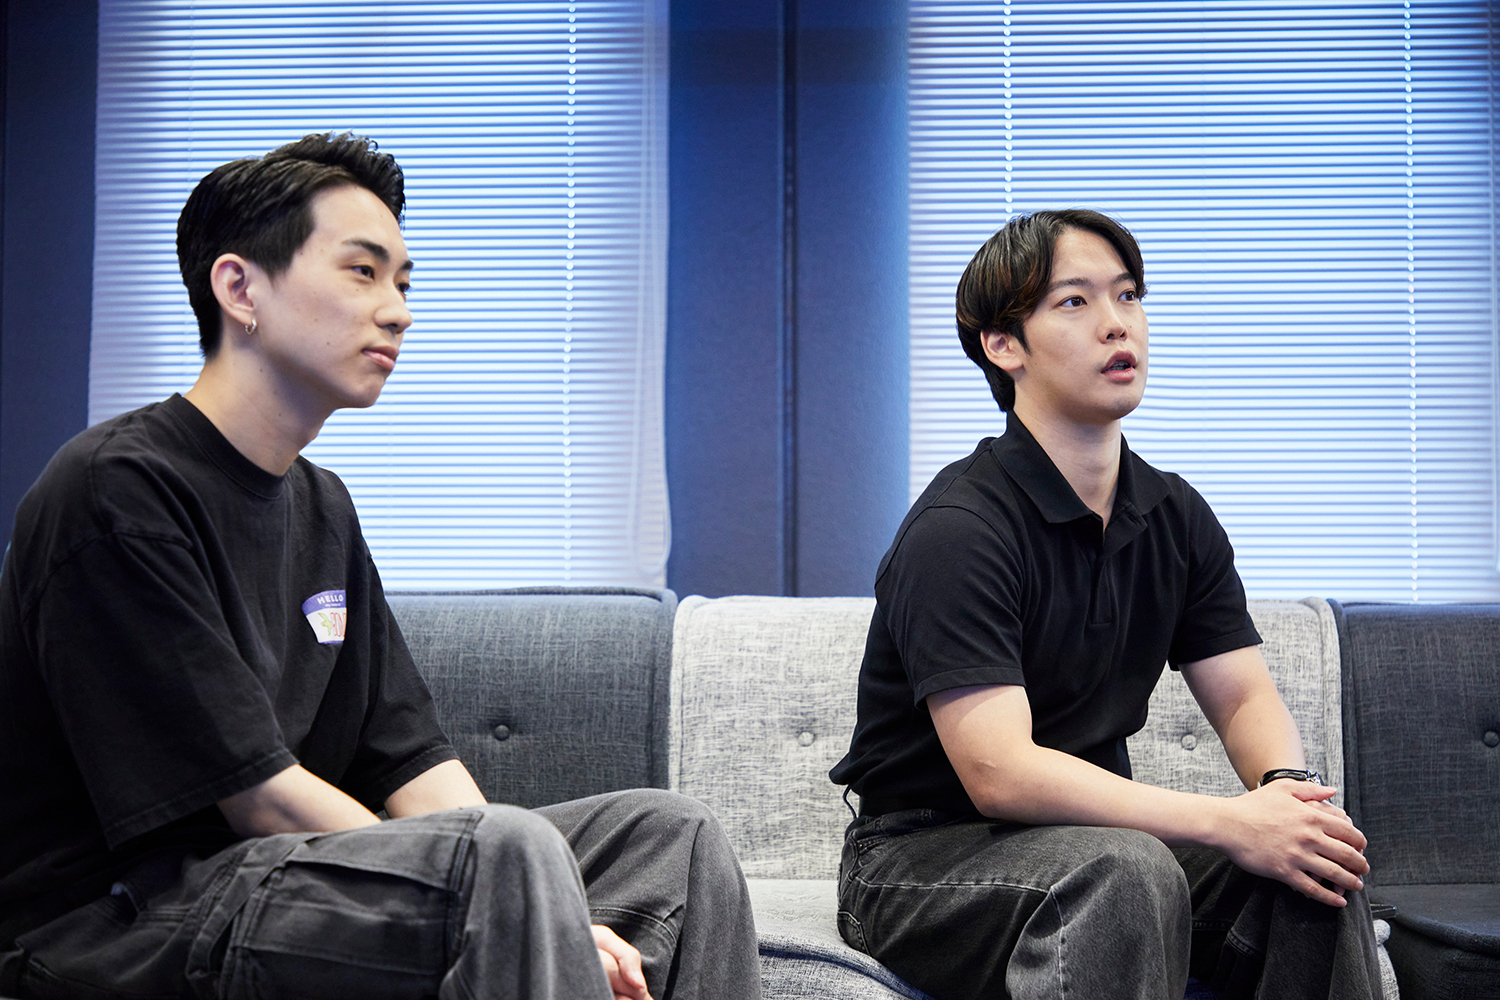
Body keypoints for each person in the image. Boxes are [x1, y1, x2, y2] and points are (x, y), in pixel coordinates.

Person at [0, 132, 759, 1000]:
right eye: (363, 272)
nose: (398, 311)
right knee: (503, 855)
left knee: (671, 839)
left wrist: (533, 892)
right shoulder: (116, 487)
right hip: (119, 922)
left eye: (403, 283)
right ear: (239, 288)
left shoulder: (321, 505)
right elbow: (259, 797)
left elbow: (409, 761)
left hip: (278, 882)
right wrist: (507, 889)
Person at [829, 209, 1383, 1000]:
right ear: (1003, 344)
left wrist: (1284, 798)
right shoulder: (960, 529)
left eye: (1127, 296)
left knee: (1316, 866)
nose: (1118, 323)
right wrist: (1228, 821)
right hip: (920, 858)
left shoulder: (1173, 515)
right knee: (1126, 870)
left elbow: (1243, 697)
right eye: (1075, 302)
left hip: (1092, 841)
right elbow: (1000, 773)